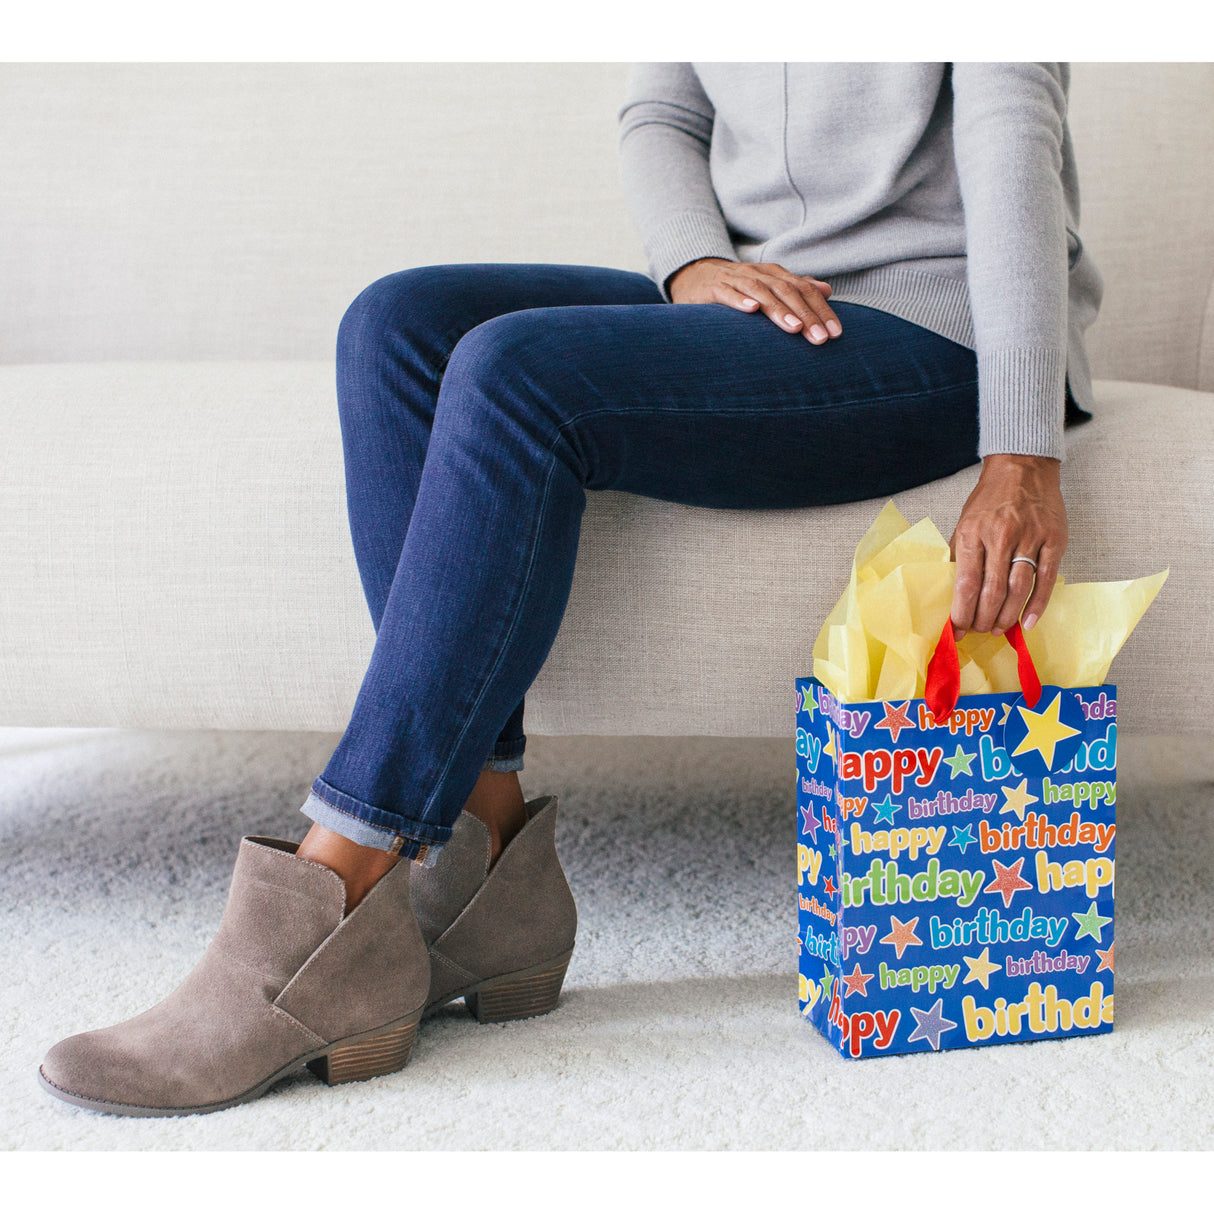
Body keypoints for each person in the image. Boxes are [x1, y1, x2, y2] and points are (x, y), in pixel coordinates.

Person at [38, 61, 1102, 1116]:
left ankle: (325, 902)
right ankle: (488, 869)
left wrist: (1022, 451)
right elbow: (664, 108)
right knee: (400, 325)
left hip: (938, 328)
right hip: (768, 300)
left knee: (514, 371)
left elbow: (1013, 141)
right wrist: (691, 261)